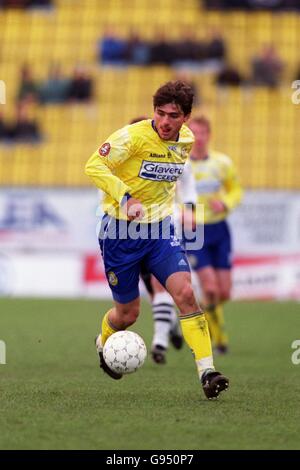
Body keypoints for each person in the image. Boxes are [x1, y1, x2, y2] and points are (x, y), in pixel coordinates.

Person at [85, 81, 229, 399]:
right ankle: (102, 341)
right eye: (160, 113)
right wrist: (125, 197)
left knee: (186, 294)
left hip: (161, 231)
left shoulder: (187, 142)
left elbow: (171, 181)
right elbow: (93, 165)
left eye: (173, 115)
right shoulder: (132, 136)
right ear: (153, 112)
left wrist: (183, 210)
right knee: (128, 315)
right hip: (120, 232)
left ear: (186, 118)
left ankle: (207, 371)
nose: (165, 121)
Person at [186, 116, 243, 353]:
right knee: (209, 287)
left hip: (220, 230)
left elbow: (236, 190)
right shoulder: (181, 166)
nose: (198, 138)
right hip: (195, 231)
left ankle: (206, 315)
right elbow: (171, 197)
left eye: (202, 133)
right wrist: (184, 214)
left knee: (224, 292)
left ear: (208, 135)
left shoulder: (222, 163)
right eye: (193, 133)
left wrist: (227, 203)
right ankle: (218, 338)